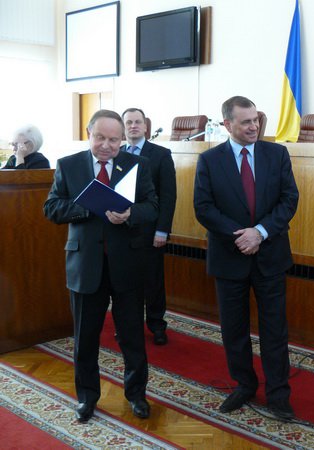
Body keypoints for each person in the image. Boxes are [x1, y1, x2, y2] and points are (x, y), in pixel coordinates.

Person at [43, 109, 158, 423]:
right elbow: (51, 207)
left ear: (122, 139)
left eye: (114, 140)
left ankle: (136, 395)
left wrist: (130, 214)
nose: (107, 146)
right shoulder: (69, 165)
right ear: (88, 134)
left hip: (127, 265)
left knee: (132, 337)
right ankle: (87, 398)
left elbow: (152, 206)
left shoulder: (137, 164)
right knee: (85, 338)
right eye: (100, 138)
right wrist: (87, 206)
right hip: (85, 265)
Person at [193, 96, 299, 420]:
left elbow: (289, 199)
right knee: (234, 329)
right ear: (227, 124)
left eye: (256, 120)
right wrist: (241, 236)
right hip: (230, 256)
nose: (254, 126)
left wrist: (260, 233)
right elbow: (203, 208)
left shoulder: (277, 154)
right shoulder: (209, 160)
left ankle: (278, 394)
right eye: (246, 122)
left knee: (274, 330)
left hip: (270, 256)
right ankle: (245, 385)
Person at [121, 108, 177, 345]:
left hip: (150, 231)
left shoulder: (161, 155)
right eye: (128, 122)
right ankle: (129, 326)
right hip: (122, 230)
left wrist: (162, 230)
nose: (133, 126)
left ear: (145, 127)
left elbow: (168, 196)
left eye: (137, 122)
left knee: (153, 282)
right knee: (125, 283)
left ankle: (156, 325)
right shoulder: (116, 153)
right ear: (123, 127)